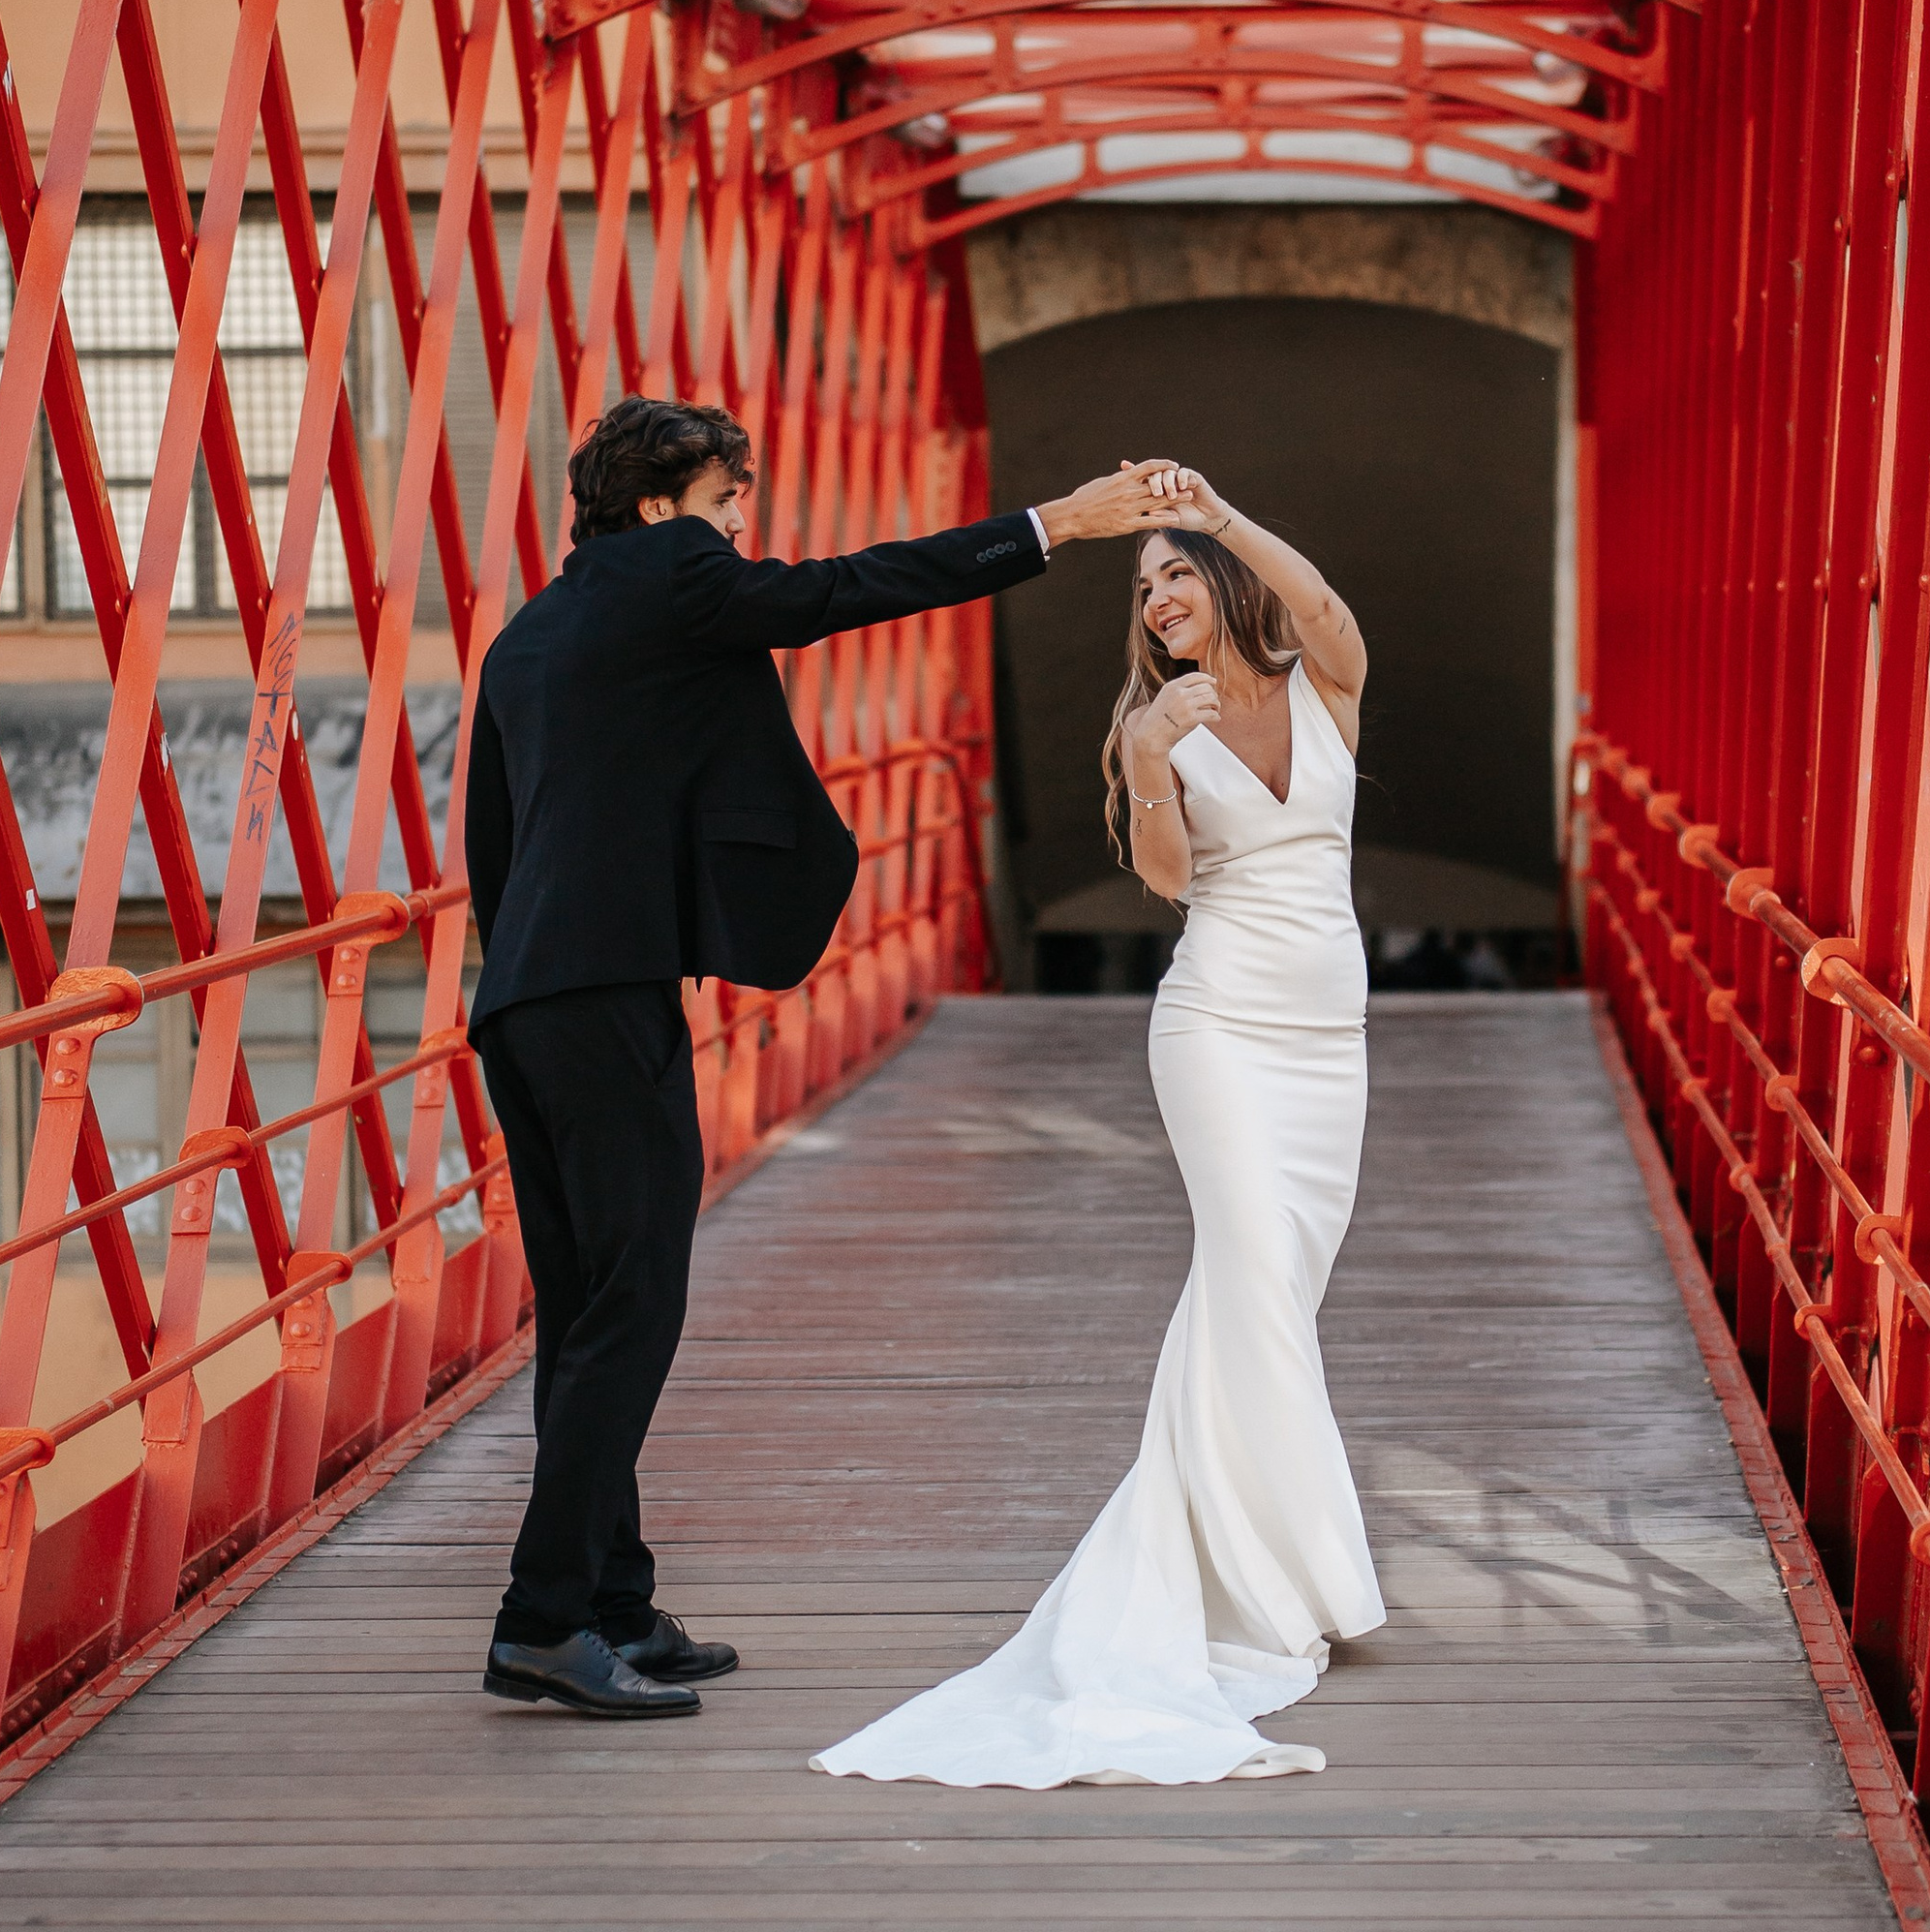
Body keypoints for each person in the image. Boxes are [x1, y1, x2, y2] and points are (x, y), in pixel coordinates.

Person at [466, 393, 1179, 1722]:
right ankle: (543, 1617)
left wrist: (532, 981)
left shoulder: (527, 637)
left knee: (586, 1311)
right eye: (730, 503)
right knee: (636, 1308)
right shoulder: (675, 572)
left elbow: (494, 853)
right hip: (606, 997)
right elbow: (853, 590)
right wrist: (1061, 524)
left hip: (525, 1002)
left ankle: (614, 1600)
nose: (743, 532)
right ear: (664, 503)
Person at [813, 465, 1384, 1787]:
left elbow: (1329, 609)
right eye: (1144, 586)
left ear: (1227, 586)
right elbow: (1177, 882)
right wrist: (1142, 759)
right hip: (1219, 1028)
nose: (1160, 597)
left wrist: (1214, 511)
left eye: (1178, 574)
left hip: (1327, 1047)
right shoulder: (1155, 727)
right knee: (1246, 1271)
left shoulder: (1325, 687)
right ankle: (1283, 1581)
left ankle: (1251, 1548)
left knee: (1273, 1299)